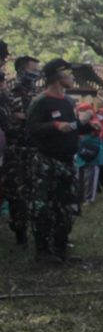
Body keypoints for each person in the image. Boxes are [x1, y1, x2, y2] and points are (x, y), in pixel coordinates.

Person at [25, 59, 80, 264]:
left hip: (67, 161)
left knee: (65, 206)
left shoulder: (68, 102)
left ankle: (60, 247)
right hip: (47, 161)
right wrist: (54, 125)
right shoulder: (41, 102)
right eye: (69, 73)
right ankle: (43, 251)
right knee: (44, 206)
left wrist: (85, 127)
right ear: (58, 77)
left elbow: (71, 127)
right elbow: (31, 131)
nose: (73, 78)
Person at [2, 55, 40, 246]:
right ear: (22, 70)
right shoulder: (9, 90)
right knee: (16, 191)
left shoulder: (36, 92)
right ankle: (19, 231)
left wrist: (26, 118)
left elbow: (27, 117)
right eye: (33, 70)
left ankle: (32, 230)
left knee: (33, 191)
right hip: (15, 149)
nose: (36, 74)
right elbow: (9, 119)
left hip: (34, 148)